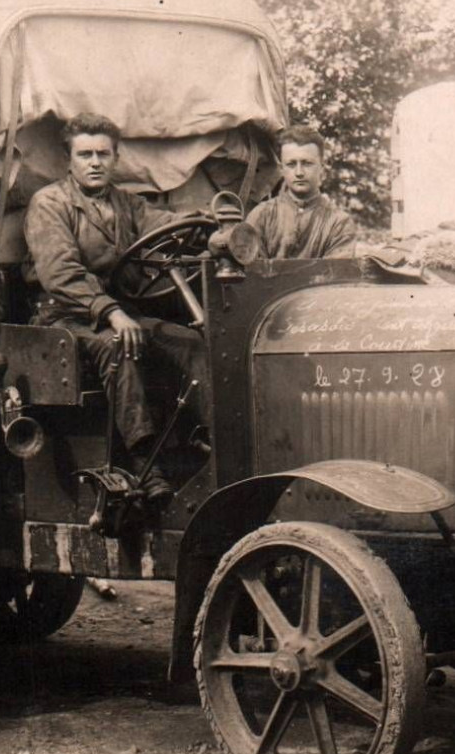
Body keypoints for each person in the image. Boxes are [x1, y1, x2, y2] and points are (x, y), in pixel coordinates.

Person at [24, 112, 207, 504]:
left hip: (119, 312)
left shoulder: (126, 204)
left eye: (103, 154)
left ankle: (210, 444)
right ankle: (145, 463)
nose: (95, 162)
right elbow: (61, 273)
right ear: (68, 161)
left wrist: (206, 225)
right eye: (85, 154)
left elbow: (164, 223)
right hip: (63, 318)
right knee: (118, 347)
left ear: (115, 158)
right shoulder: (49, 204)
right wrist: (111, 312)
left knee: (190, 342)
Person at [242, 124, 359, 260]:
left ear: (322, 167)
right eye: (291, 164)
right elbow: (252, 274)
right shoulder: (260, 216)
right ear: (281, 169)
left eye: (307, 163)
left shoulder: (339, 223)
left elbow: (335, 277)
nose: (299, 173)